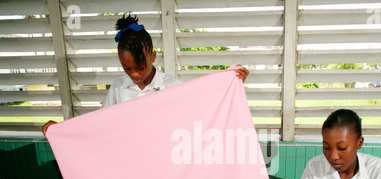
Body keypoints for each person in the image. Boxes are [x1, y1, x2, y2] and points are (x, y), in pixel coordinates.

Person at [42, 14, 249, 135]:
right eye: (126, 68)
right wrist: (62, 130)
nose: (134, 74)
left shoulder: (172, 87)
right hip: (130, 165)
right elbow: (96, 124)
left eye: (140, 67)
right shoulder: (118, 88)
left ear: (153, 56)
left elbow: (203, 111)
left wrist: (231, 84)